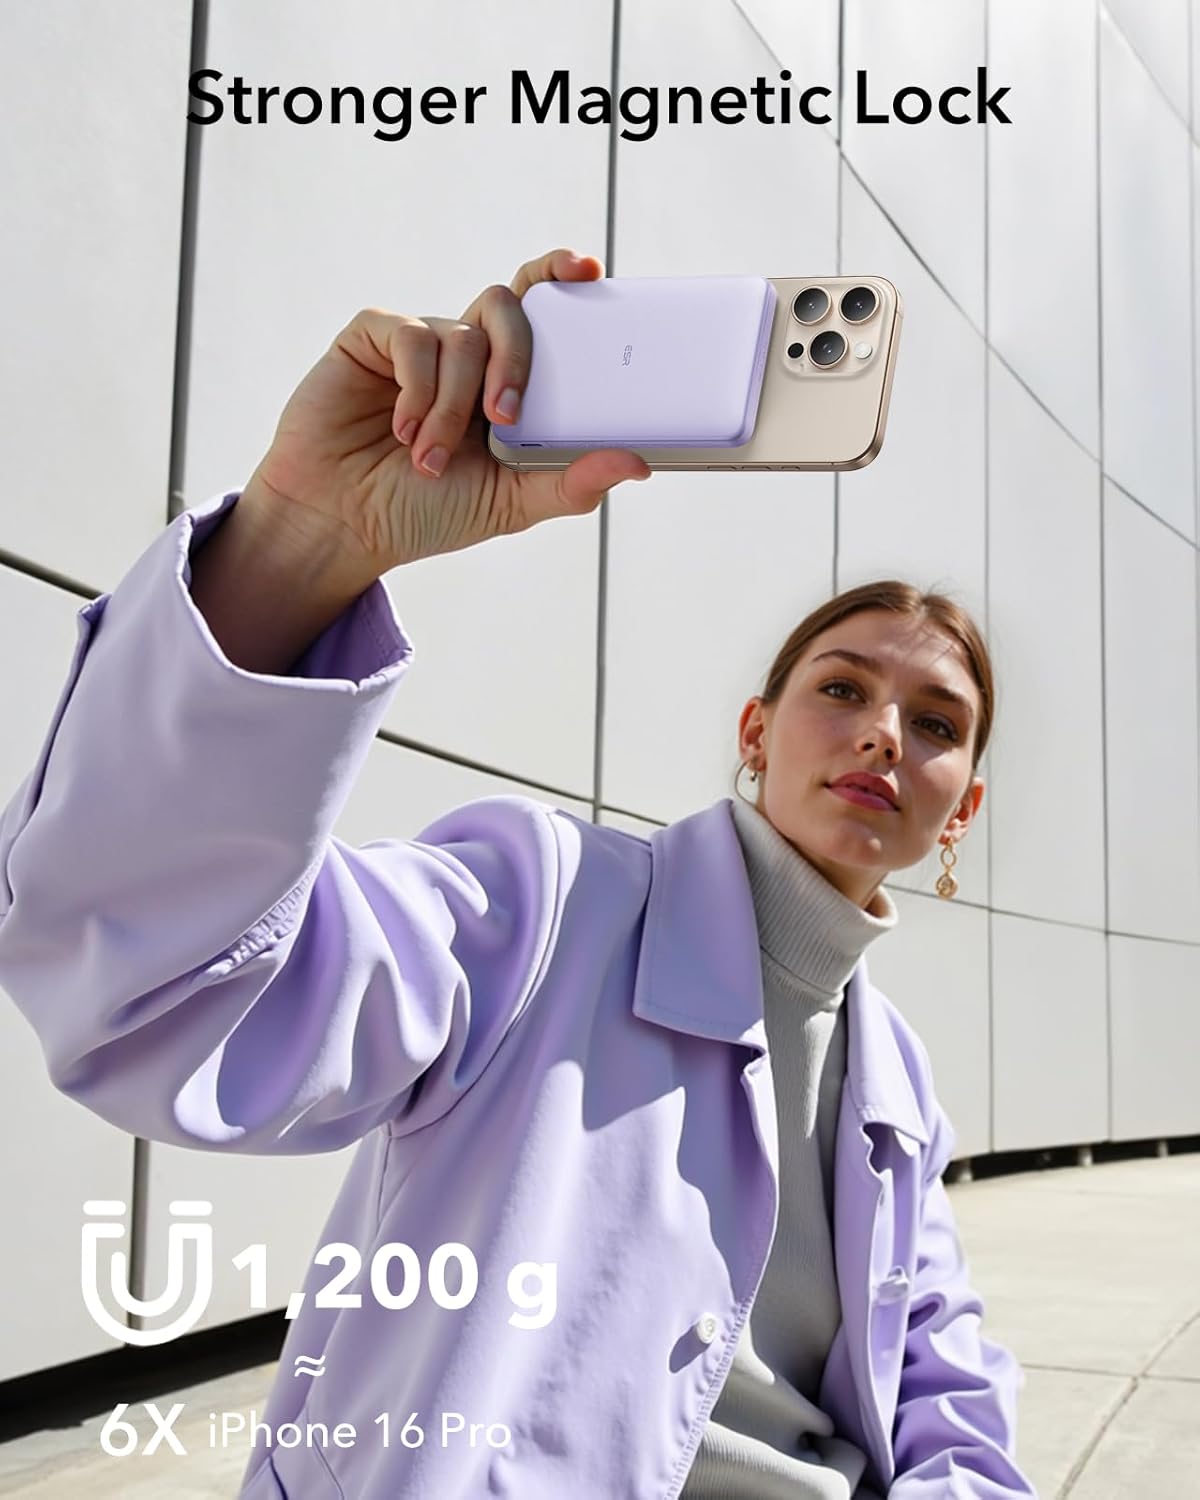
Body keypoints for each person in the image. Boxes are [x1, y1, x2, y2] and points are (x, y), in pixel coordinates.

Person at [0, 247, 1036, 1499]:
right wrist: (304, 540)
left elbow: (940, 1375)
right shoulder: (540, 904)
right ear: (757, 735)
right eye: (843, 689)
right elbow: (156, 989)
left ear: (963, 805)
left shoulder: (896, 1077)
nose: (884, 736)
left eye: (936, 723)